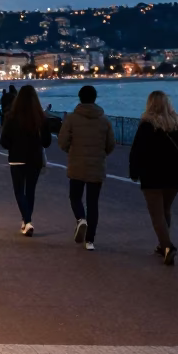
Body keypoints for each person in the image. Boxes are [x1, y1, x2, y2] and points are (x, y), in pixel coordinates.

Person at [127, 91, 178, 266]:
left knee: (156, 214)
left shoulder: (146, 125)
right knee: (166, 210)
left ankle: (167, 247)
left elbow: (136, 152)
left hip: (152, 175)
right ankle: (162, 245)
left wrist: (134, 172)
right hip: (174, 175)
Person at [58, 84, 115, 250]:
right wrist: (100, 154)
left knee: (75, 197)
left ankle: (80, 219)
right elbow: (111, 144)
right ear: (95, 98)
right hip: (97, 166)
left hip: (77, 164)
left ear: (80, 98)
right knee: (93, 202)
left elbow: (62, 142)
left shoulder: (71, 119)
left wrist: (72, 150)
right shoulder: (104, 120)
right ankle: (90, 241)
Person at [0, 85, 51, 236]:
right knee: (30, 191)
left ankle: (27, 221)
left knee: (19, 191)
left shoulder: (11, 116)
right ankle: (26, 221)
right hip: (35, 159)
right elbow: (47, 142)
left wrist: (14, 145)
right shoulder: (41, 118)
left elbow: (4, 142)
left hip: (17, 159)